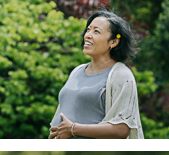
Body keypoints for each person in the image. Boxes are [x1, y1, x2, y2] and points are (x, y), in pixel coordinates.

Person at [49, 10, 145, 140]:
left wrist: (73, 129)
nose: (88, 35)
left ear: (113, 42)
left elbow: (121, 129)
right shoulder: (77, 71)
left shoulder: (121, 75)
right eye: (88, 30)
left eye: (96, 31)